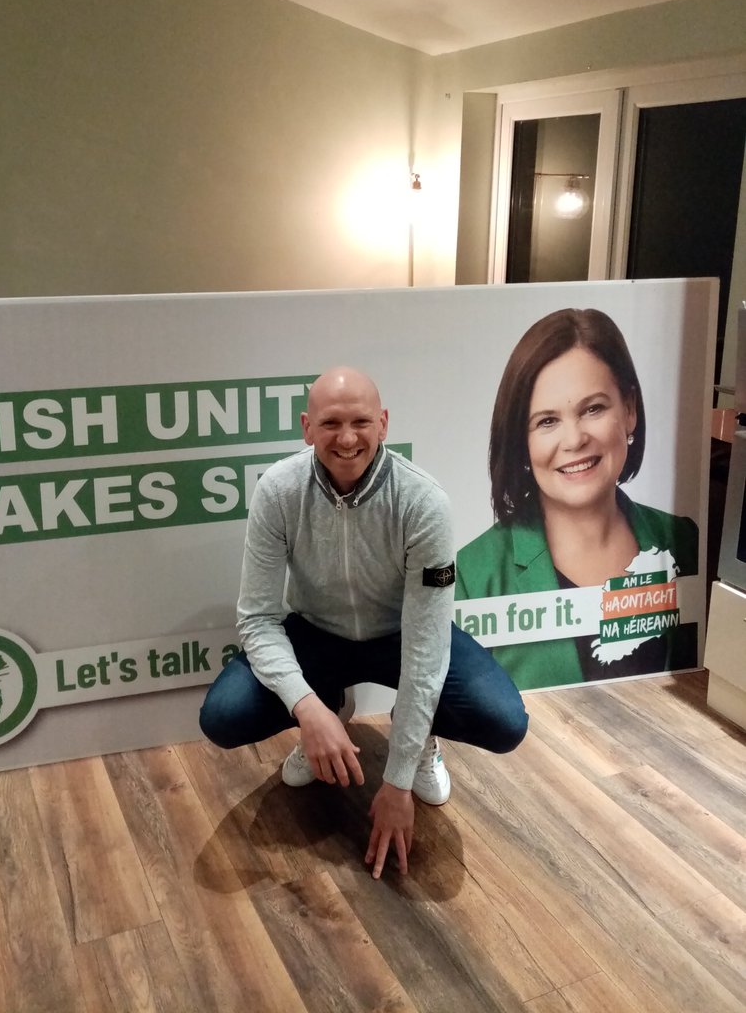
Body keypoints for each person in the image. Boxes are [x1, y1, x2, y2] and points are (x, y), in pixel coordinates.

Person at [199, 366, 528, 880]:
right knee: (224, 715)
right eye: (331, 423)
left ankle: (418, 739)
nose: (347, 438)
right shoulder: (278, 491)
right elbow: (259, 619)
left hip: (402, 635)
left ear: (384, 423)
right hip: (316, 634)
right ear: (307, 427)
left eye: (361, 422)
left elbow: (424, 645)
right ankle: (330, 709)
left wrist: (397, 782)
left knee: (504, 720)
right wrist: (308, 711)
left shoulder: (423, 502)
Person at [456, 308, 698, 689]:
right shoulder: (473, 574)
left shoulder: (685, 541)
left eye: (593, 408)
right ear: (522, 439)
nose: (574, 440)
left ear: (629, 410)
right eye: (547, 421)